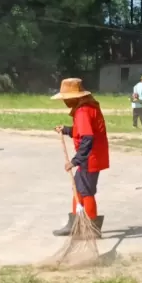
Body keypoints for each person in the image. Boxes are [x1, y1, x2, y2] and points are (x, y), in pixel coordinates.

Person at [51, 78, 109, 237]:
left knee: (85, 190)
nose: (64, 101)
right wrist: (67, 130)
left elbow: (87, 138)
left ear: (75, 97)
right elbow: (83, 131)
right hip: (92, 156)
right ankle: (75, 223)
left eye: (66, 98)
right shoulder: (87, 107)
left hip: (90, 158)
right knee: (79, 188)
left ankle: (91, 228)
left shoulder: (83, 111)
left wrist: (75, 161)